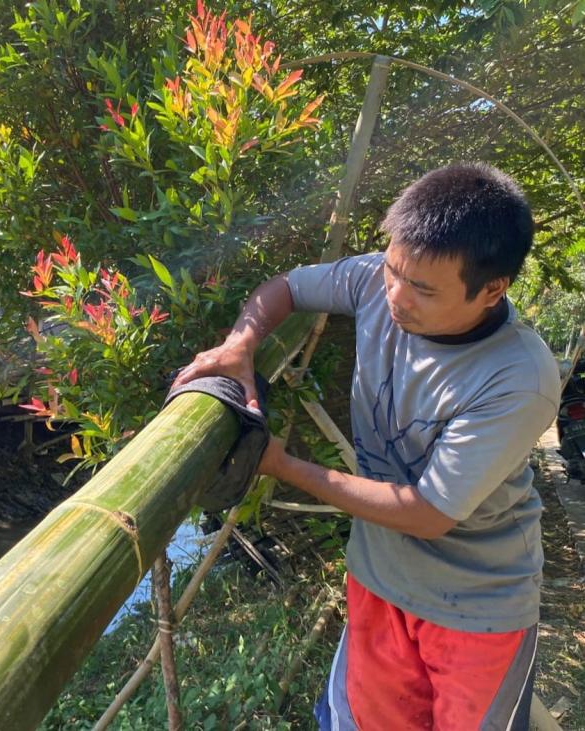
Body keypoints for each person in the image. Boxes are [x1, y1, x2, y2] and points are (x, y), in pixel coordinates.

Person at [173, 162, 560, 730]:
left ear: (492, 289)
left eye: (423, 288)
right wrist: (241, 344)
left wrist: (279, 465)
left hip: (479, 606)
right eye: (392, 271)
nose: (396, 297)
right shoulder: (376, 282)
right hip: (379, 577)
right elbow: (286, 287)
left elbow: (427, 513)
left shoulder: (516, 376)